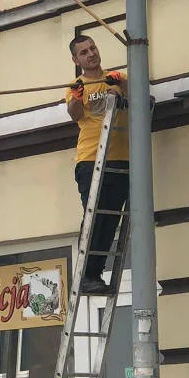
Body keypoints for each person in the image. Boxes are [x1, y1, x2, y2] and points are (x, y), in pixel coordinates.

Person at [65, 34, 130, 295]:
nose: (90, 54)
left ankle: (96, 273)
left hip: (121, 158)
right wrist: (78, 97)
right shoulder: (76, 86)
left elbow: (131, 91)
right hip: (92, 158)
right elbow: (75, 114)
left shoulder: (117, 77)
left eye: (92, 48)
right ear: (76, 59)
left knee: (111, 217)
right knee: (96, 217)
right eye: (83, 52)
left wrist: (118, 86)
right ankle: (87, 275)